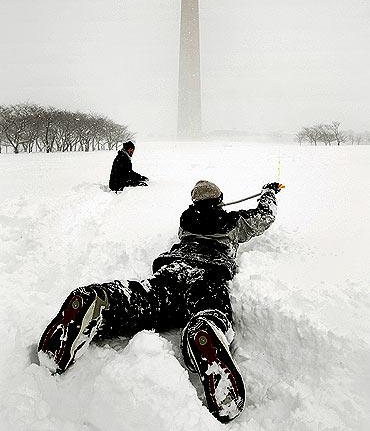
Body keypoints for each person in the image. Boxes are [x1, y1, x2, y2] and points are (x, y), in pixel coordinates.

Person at [38, 180, 282, 423]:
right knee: (211, 309)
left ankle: (104, 300)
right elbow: (264, 216)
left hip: (173, 269)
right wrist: (269, 193)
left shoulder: (186, 219)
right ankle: (204, 331)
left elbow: (198, 222)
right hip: (209, 274)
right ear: (218, 200)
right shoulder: (233, 222)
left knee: (144, 299)